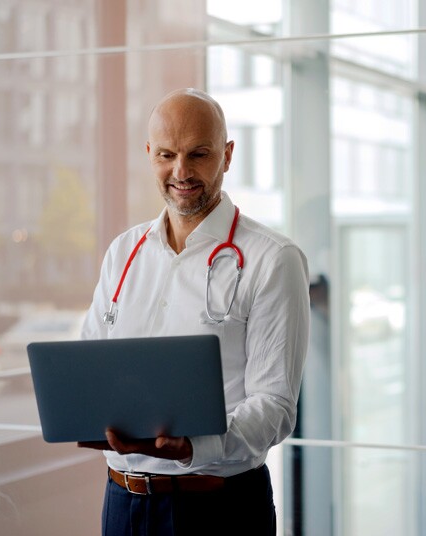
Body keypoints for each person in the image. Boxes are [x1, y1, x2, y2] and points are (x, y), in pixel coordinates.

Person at [77, 88, 310, 535]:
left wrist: (191, 446)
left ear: (227, 155)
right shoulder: (124, 252)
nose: (180, 171)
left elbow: (275, 406)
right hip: (122, 504)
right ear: (149, 154)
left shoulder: (272, 259)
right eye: (166, 155)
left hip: (217, 509)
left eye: (198, 154)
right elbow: (92, 365)